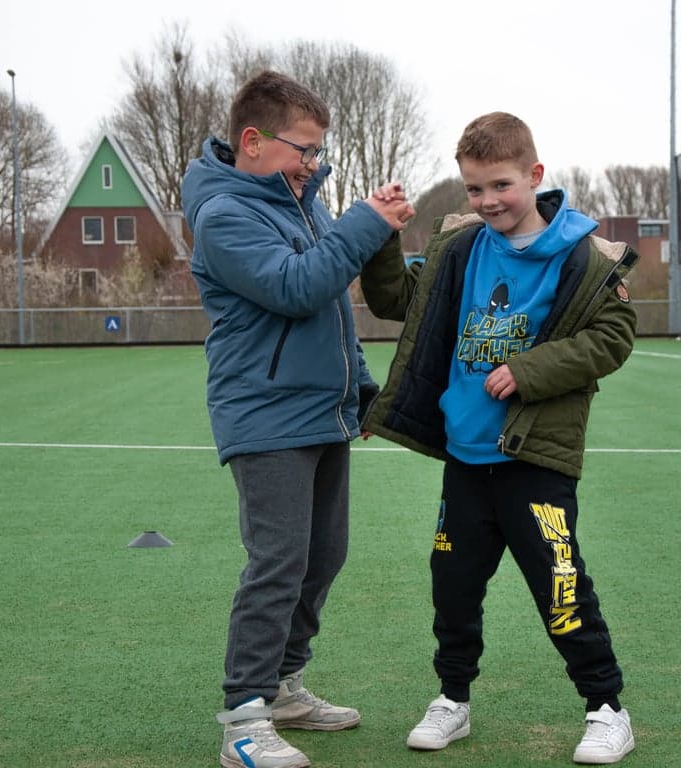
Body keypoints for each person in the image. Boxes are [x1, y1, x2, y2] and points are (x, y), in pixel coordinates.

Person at [360, 111, 639, 765]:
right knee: (452, 582)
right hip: (464, 457)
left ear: (535, 175)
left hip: (534, 459)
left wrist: (529, 370)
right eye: (474, 189)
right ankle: (452, 699)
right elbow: (395, 298)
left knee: (559, 585)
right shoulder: (459, 248)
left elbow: (614, 337)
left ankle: (606, 709)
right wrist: (381, 237)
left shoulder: (587, 256)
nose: (487, 202)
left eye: (500, 186)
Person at [181, 70, 414, 768]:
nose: (312, 163)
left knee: (322, 557)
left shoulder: (296, 202)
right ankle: (243, 720)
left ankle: (282, 687)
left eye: (317, 152)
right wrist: (363, 224)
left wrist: (362, 393)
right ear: (251, 141)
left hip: (317, 411)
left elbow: (330, 316)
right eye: (302, 149)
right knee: (278, 563)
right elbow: (296, 288)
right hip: (265, 414)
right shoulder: (225, 213)